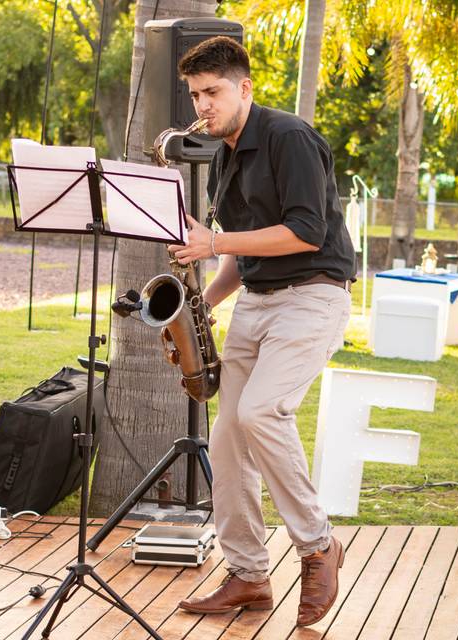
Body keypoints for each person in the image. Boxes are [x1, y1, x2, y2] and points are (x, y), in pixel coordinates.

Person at [170, 37, 356, 627]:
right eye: (196, 94)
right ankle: (249, 575)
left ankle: (318, 544)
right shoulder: (224, 155)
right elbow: (240, 253)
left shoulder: (289, 137)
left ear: (244, 87)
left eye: (213, 92)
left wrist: (214, 241)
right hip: (257, 300)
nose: (203, 104)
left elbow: (303, 231)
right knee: (226, 437)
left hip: (313, 295)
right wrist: (197, 304)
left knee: (261, 414)